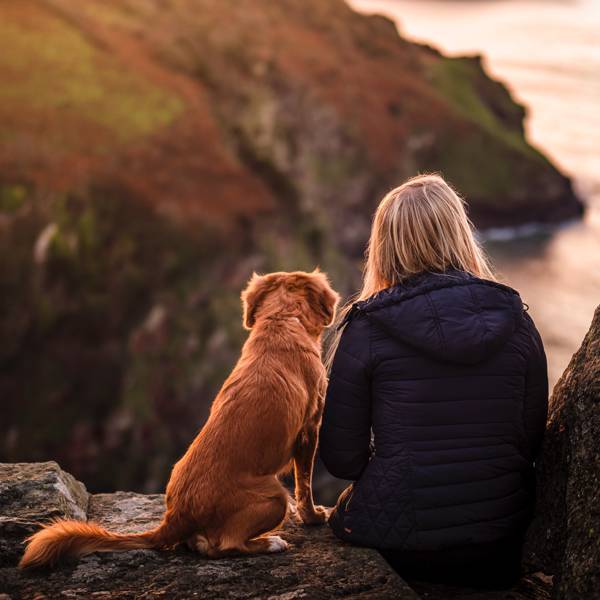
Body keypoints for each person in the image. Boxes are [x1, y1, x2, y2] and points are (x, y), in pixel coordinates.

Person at [319, 174, 548, 588]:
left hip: (403, 549)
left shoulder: (367, 328)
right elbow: (529, 441)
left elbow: (342, 460)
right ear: (461, 233)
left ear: (385, 246)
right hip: (499, 541)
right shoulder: (516, 320)